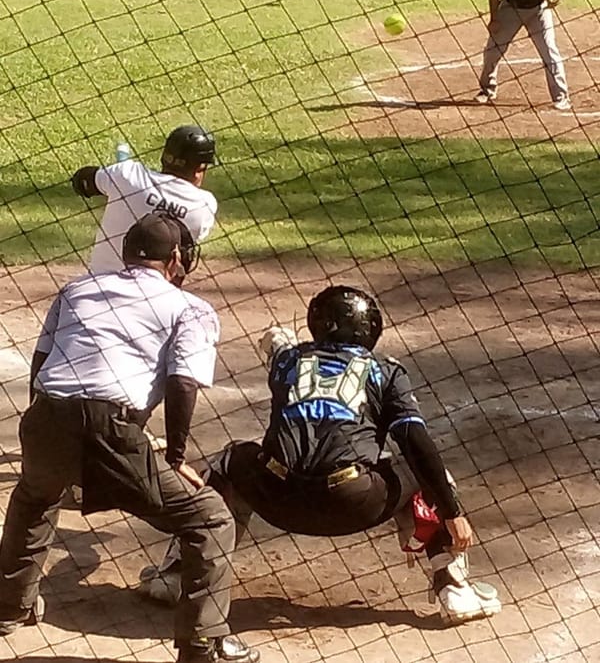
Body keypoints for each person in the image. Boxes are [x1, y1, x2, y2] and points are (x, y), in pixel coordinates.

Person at [141, 285, 501, 626]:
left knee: (232, 459)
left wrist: (281, 339)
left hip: (276, 495)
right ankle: (454, 588)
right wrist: (451, 510)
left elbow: (279, 348)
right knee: (429, 475)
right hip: (354, 502)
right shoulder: (386, 371)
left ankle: (177, 574)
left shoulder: (286, 363)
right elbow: (415, 441)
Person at [0, 214, 259, 663]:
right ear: (176, 258)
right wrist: (176, 455)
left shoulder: (77, 289)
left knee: (35, 497)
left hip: (45, 416)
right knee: (211, 518)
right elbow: (182, 383)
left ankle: (8, 609)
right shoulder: (189, 308)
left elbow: (42, 364)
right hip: (110, 426)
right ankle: (202, 644)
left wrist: (49, 434)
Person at [71, 125, 218, 275]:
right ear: (200, 168)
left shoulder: (128, 175)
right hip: (154, 294)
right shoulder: (204, 206)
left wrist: (114, 181)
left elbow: (81, 181)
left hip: (101, 288)